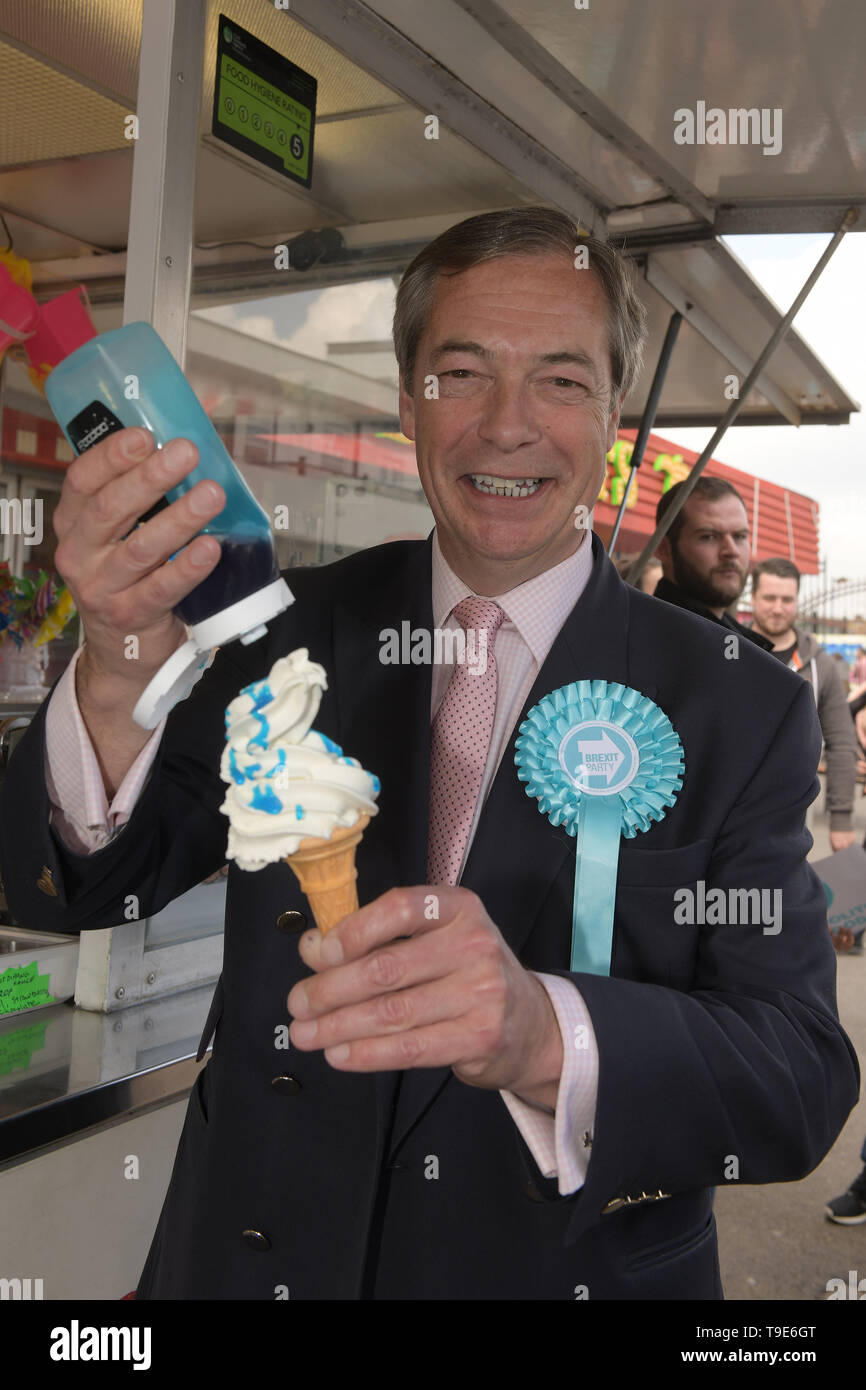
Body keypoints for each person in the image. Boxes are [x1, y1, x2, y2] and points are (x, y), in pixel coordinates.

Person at [0, 207, 858, 1301]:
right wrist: (116, 673)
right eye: (461, 373)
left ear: (612, 413)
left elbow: (795, 1075)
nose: (507, 425)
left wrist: (544, 1032)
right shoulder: (279, 627)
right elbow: (78, 884)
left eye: (558, 379)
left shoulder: (737, 703)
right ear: (408, 402)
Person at [750, 557, 858, 853]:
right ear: (753, 597)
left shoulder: (819, 664)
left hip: (794, 816)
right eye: (769, 597)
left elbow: (841, 741)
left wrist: (841, 819)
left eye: (787, 599)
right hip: (729, 807)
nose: (777, 607)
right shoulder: (729, 648)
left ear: (797, 601)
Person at [651, 476, 773, 650]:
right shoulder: (649, 641)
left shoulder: (737, 646)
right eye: (709, 537)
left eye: (740, 536)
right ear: (663, 549)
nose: (732, 551)